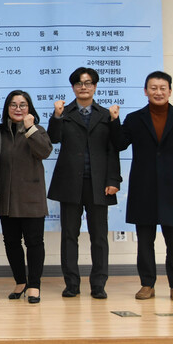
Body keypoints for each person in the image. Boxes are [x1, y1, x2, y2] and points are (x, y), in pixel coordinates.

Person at [118, 71, 173, 303]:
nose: (158, 92)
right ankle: (147, 284)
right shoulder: (134, 119)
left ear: (170, 91)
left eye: (163, 88)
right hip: (144, 188)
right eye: (153, 88)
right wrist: (114, 121)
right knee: (144, 242)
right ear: (145, 91)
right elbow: (119, 144)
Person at [47, 67, 122, 299]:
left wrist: (113, 180)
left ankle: (98, 284)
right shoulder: (64, 112)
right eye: (79, 83)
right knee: (69, 236)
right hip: (70, 183)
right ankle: (72, 284)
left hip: (99, 184)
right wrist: (57, 115)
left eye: (88, 83)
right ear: (73, 87)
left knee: (99, 237)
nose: (83, 87)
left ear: (95, 86)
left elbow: (114, 148)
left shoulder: (106, 114)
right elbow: (53, 138)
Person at [0, 90, 52, 304]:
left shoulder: (37, 130)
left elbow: (44, 152)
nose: (18, 109)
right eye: (13, 104)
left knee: (34, 242)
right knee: (11, 242)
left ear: (29, 108)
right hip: (6, 197)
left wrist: (30, 129)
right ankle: (20, 281)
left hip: (31, 197)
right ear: (7, 108)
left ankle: (34, 285)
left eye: (23, 105)